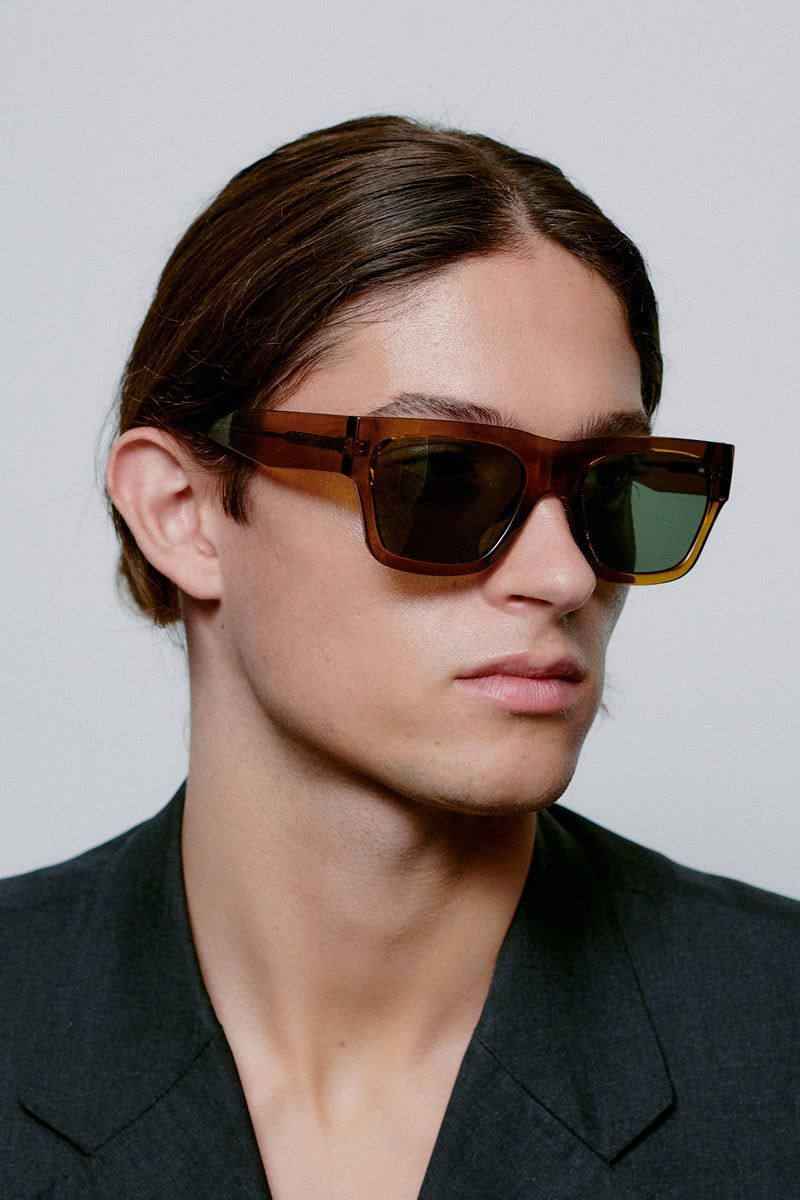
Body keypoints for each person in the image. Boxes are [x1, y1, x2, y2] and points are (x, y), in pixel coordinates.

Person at [1, 114, 796, 1199]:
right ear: (182, 511)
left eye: (607, 485)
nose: (563, 575)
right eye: (439, 479)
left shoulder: (773, 1043)